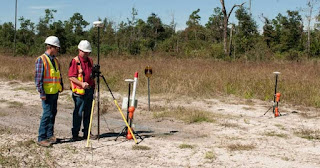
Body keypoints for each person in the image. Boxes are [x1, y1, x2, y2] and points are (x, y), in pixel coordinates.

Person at [35, 36, 63, 147]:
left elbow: (58, 75)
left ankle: (49, 135)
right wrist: (41, 93)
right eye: (57, 48)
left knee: (52, 114)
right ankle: (41, 138)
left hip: (54, 92)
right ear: (51, 47)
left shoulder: (55, 60)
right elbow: (38, 78)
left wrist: (61, 86)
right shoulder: (41, 60)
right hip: (46, 93)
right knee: (46, 114)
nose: (58, 50)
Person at [68, 40, 97, 141]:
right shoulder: (75, 61)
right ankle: (75, 134)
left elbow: (91, 76)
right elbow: (71, 76)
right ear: (79, 50)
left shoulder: (90, 61)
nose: (86, 53)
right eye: (84, 51)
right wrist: (81, 84)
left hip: (89, 91)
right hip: (79, 92)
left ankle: (87, 133)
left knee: (88, 113)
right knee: (78, 113)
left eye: (88, 52)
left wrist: (94, 86)